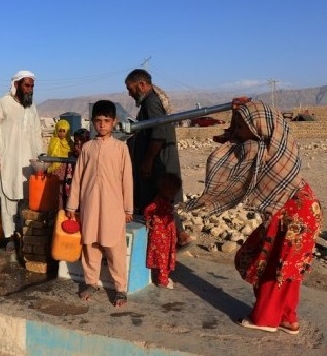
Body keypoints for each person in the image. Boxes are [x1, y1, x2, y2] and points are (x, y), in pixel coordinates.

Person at [186, 100, 323, 334]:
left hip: (289, 213)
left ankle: (265, 318)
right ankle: (288, 318)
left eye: (241, 126)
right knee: (289, 267)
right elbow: (231, 137)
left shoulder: (258, 149)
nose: (237, 131)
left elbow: (224, 150)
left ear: (257, 125)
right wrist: (236, 115)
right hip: (303, 208)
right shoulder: (280, 140)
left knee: (272, 264)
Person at [66, 100, 134, 308]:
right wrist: (72, 206)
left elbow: (127, 179)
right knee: (91, 245)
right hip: (90, 206)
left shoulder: (121, 148)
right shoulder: (87, 148)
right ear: (93, 122)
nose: (102, 125)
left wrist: (128, 208)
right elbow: (77, 178)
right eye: (98, 121)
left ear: (114, 122)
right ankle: (91, 283)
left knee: (114, 247)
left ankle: (120, 288)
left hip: (113, 208)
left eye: (106, 120)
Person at [125, 69, 194, 247]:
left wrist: (147, 162)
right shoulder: (151, 101)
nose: (129, 93)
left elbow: (158, 133)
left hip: (157, 165)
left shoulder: (151, 102)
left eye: (130, 89)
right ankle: (178, 237)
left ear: (142, 84)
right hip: (158, 164)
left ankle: (163, 244)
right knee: (162, 202)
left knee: (155, 203)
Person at [0, 70, 43, 253]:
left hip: (28, 165)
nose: (30, 90)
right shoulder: (3, 103)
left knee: (27, 202)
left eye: (32, 86)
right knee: (8, 202)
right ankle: (9, 239)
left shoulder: (32, 107)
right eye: (27, 85)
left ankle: (24, 237)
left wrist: (40, 161)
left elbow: (36, 134)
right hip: (7, 162)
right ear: (16, 85)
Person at [144, 172, 182, 290]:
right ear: (163, 190)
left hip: (164, 234)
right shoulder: (160, 202)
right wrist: (148, 219)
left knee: (160, 257)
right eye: (171, 193)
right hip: (162, 236)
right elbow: (148, 210)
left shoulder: (161, 200)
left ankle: (158, 276)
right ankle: (162, 281)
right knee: (163, 258)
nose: (172, 196)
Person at [46, 119, 73, 208]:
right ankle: (56, 211)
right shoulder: (54, 141)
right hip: (56, 169)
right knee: (56, 191)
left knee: (67, 190)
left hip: (67, 170)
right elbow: (51, 155)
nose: (61, 133)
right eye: (59, 131)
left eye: (64, 131)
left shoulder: (70, 143)